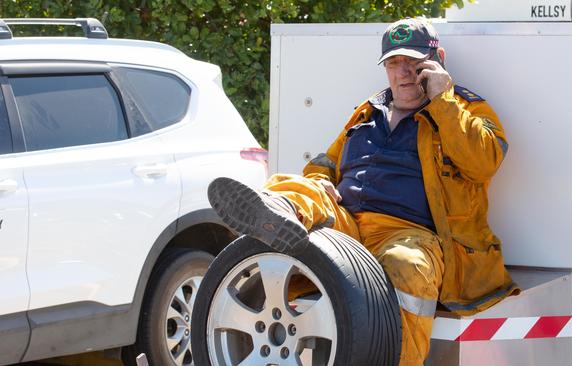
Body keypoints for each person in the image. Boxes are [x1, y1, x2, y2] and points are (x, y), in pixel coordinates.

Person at [208, 17, 518, 366]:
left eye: (414, 62)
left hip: (408, 234)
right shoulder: (368, 111)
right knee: (301, 186)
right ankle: (276, 215)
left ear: (437, 60)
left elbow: (484, 162)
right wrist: (323, 178)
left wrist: (443, 99)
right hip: (346, 226)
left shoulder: (464, 108)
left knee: (407, 266)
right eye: (394, 63)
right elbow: (329, 159)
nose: (404, 72)